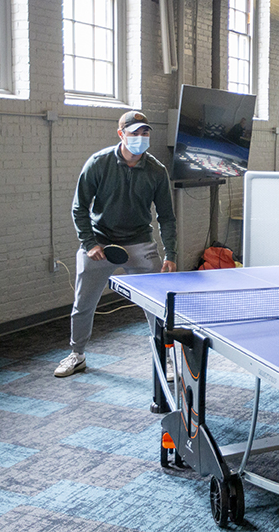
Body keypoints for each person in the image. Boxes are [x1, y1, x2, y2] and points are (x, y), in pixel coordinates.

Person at [55, 110, 178, 378]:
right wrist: (89, 244)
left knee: (157, 304)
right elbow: (79, 209)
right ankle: (77, 354)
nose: (141, 137)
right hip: (100, 243)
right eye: (135, 132)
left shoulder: (157, 170)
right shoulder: (98, 163)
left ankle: (165, 356)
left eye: (145, 132)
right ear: (121, 134)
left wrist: (171, 252)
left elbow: (166, 216)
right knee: (83, 303)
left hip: (139, 243)